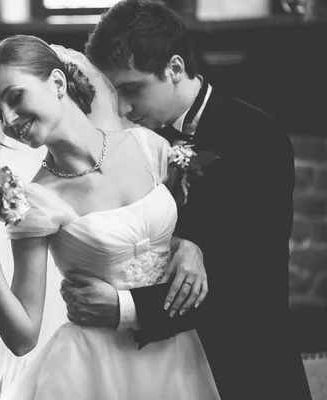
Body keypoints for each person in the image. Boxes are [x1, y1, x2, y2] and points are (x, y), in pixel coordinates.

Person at [59, 1, 312, 399]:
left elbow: (251, 282)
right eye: (114, 92)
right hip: (152, 371)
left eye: (132, 88)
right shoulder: (129, 146)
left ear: (174, 68)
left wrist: (125, 309)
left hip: (244, 367)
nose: (122, 108)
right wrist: (179, 242)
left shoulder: (257, 135)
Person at [0, 34, 220, 399]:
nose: (9, 120)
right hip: (92, 371)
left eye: (15, 97)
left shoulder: (149, 147)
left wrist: (190, 245)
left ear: (57, 82)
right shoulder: (36, 200)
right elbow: (23, 337)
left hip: (177, 357)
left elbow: (171, 236)